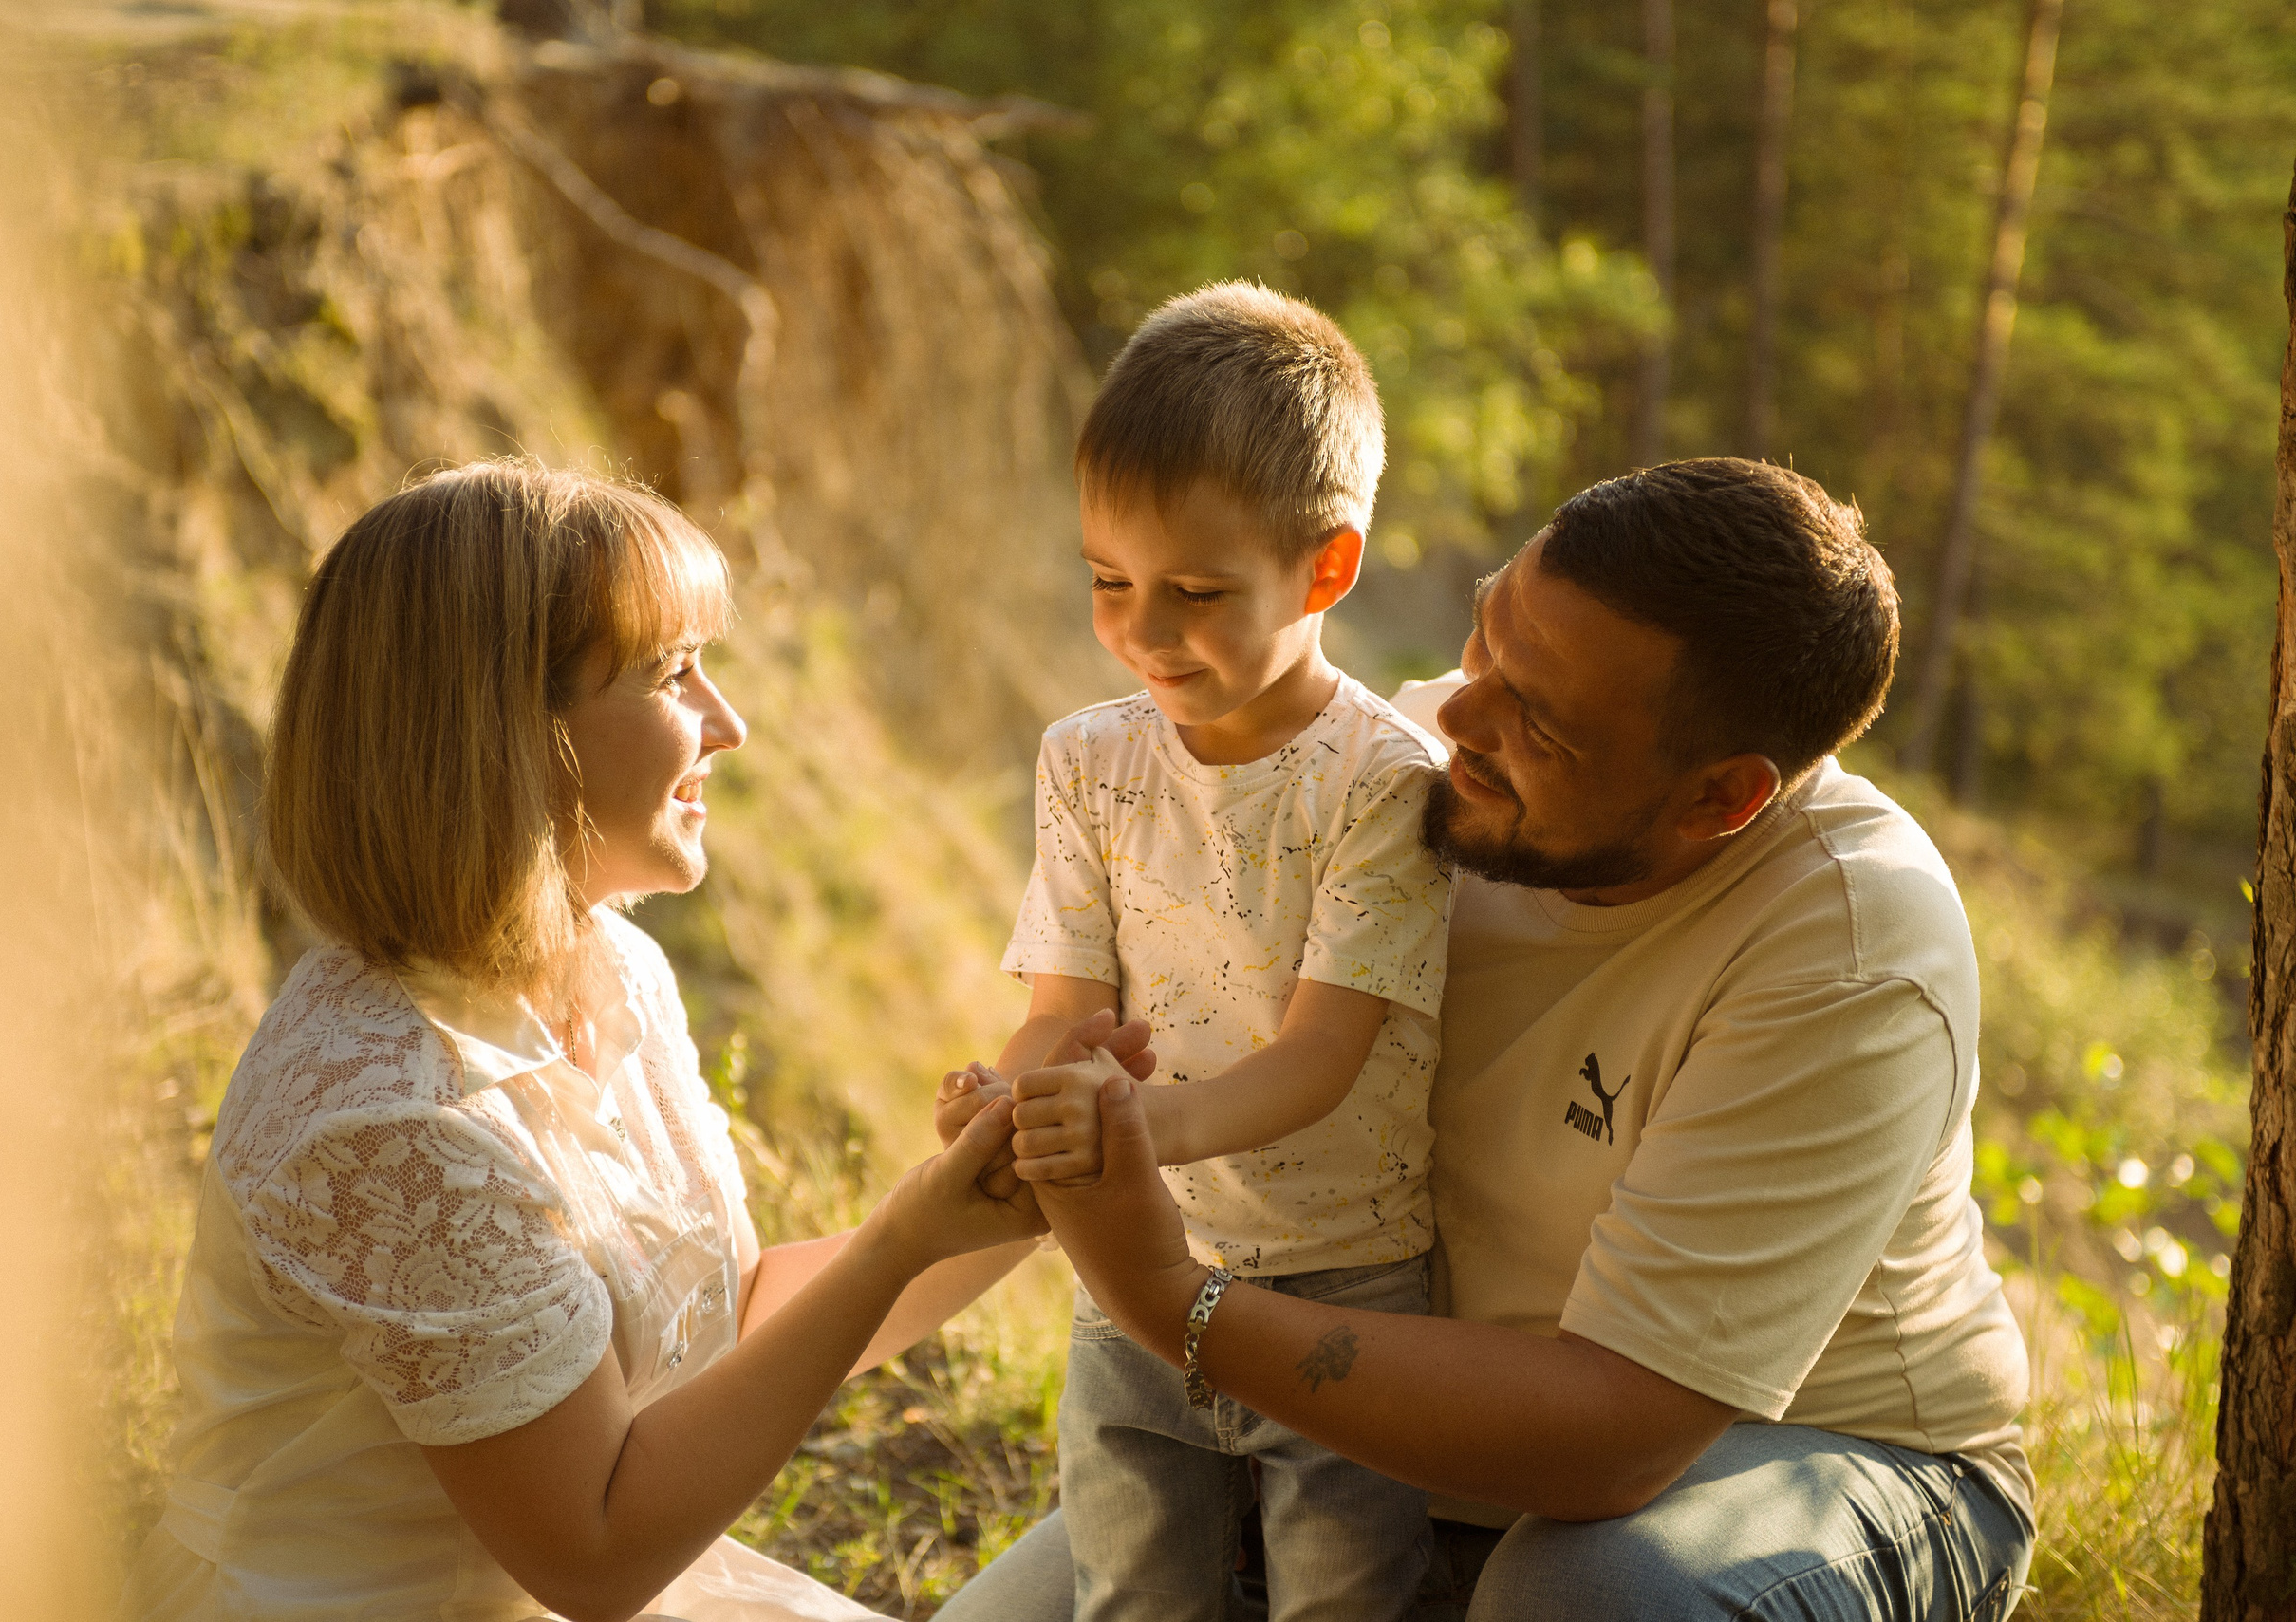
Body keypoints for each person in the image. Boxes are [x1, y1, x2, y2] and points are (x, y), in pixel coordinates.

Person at [941, 458, 2036, 1622]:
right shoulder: (1394, 776)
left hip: (1805, 1453)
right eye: (1483, 635)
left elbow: (1610, 1437)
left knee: (1588, 1598)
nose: (1454, 714)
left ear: (1719, 797)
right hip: (1371, 1435)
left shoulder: (1848, 949)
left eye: (1541, 722)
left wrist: (1172, 1302)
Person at [123, 460, 1160, 1622]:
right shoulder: (384, 1116)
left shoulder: (609, 966)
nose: (730, 724)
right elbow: (596, 1553)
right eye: (672, 675)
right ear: (507, 731)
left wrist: (997, 1196)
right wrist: (903, 1236)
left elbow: (721, 1333)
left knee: (1166, 1516)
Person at [937, 282, 1454, 1620]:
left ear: (1326, 568)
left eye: (1197, 592)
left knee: (1344, 1598)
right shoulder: (1089, 761)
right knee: (1133, 1594)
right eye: (1110, 582)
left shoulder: (1384, 784)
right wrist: (1013, 1102)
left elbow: (1321, 1059)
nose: (1144, 631)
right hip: (1134, 1266)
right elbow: (1065, 1008)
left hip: (1350, 1290)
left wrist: (1126, 1130)